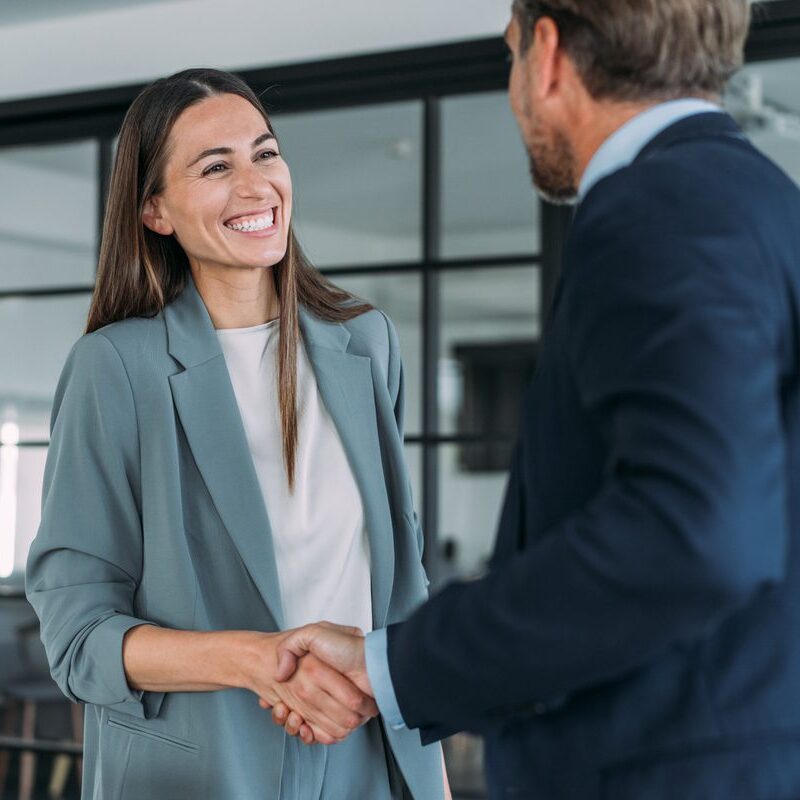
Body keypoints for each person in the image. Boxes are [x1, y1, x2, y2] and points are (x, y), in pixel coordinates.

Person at [273, 1, 800, 797]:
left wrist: (397, 663)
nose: (513, 86)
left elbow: (696, 534)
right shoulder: (767, 204)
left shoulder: (662, 210)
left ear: (547, 54)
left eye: (510, 55)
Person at [25, 68, 450, 800]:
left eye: (265, 152)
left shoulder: (366, 342)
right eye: (216, 166)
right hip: (208, 765)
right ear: (155, 209)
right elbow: (78, 635)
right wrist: (258, 661)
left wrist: (430, 772)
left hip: (372, 752)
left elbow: (402, 581)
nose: (256, 185)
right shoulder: (117, 368)